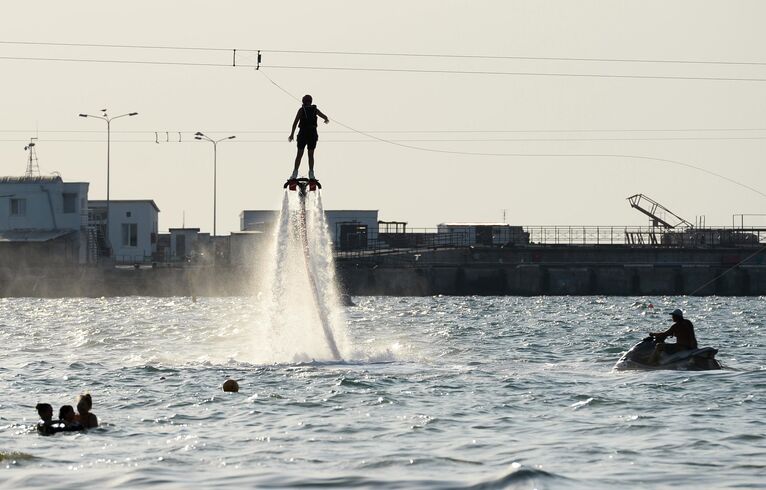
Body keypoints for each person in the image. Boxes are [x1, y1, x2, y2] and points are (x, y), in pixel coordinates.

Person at [288, 94, 329, 181]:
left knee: (299, 154)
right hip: (312, 134)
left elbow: (295, 123)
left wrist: (291, 135)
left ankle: (294, 174)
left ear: (303, 101)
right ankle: (311, 174)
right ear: (311, 101)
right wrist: (326, 119)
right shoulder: (315, 110)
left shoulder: (301, 110)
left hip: (303, 133)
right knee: (311, 154)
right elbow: (324, 116)